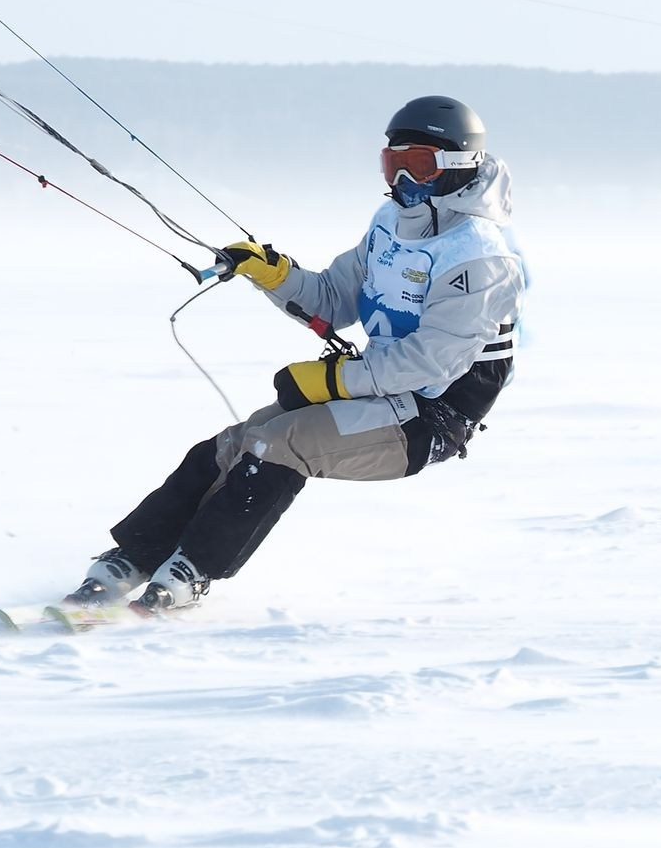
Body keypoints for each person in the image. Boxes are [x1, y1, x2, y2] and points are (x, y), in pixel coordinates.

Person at [65, 95, 528, 612]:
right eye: (392, 164)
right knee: (232, 444)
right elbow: (334, 298)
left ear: (457, 166)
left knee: (279, 445)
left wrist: (330, 382)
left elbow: (429, 363)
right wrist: (272, 272)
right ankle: (134, 557)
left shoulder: (481, 258)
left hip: (431, 418)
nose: (401, 182)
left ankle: (193, 571)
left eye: (416, 165)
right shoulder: (389, 226)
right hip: (377, 392)